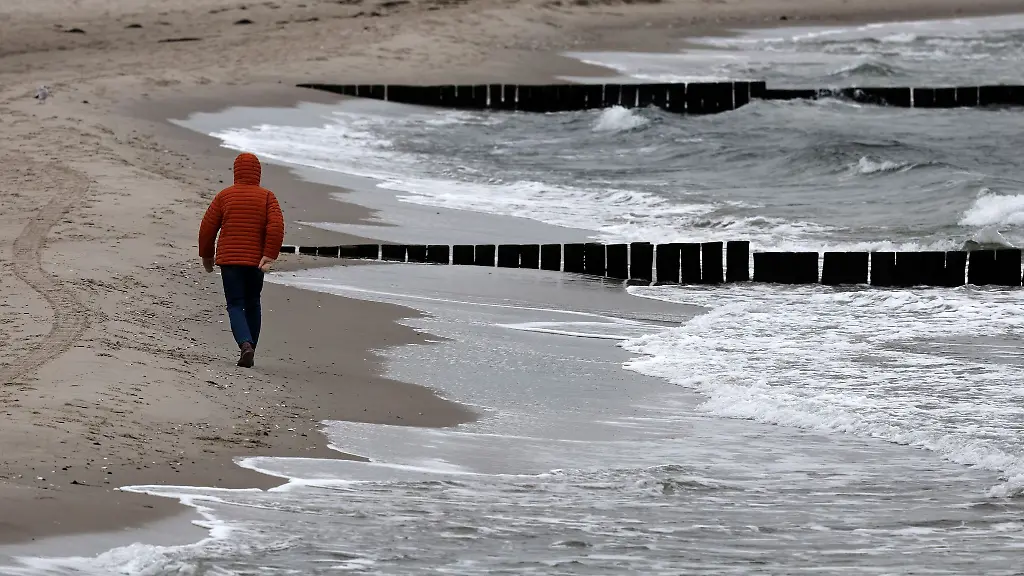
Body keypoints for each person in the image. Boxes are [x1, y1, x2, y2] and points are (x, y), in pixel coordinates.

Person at [198, 152, 285, 368]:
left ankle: (245, 345)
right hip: (256, 261)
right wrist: (269, 254)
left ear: (236, 172)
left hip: (229, 261)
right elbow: (276, 226)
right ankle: (251, 346)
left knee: (235, 304)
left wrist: (207, 255)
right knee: (253, 302)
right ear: (258, 173)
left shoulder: (225, 196)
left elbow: (207, 228)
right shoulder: (267, 197)